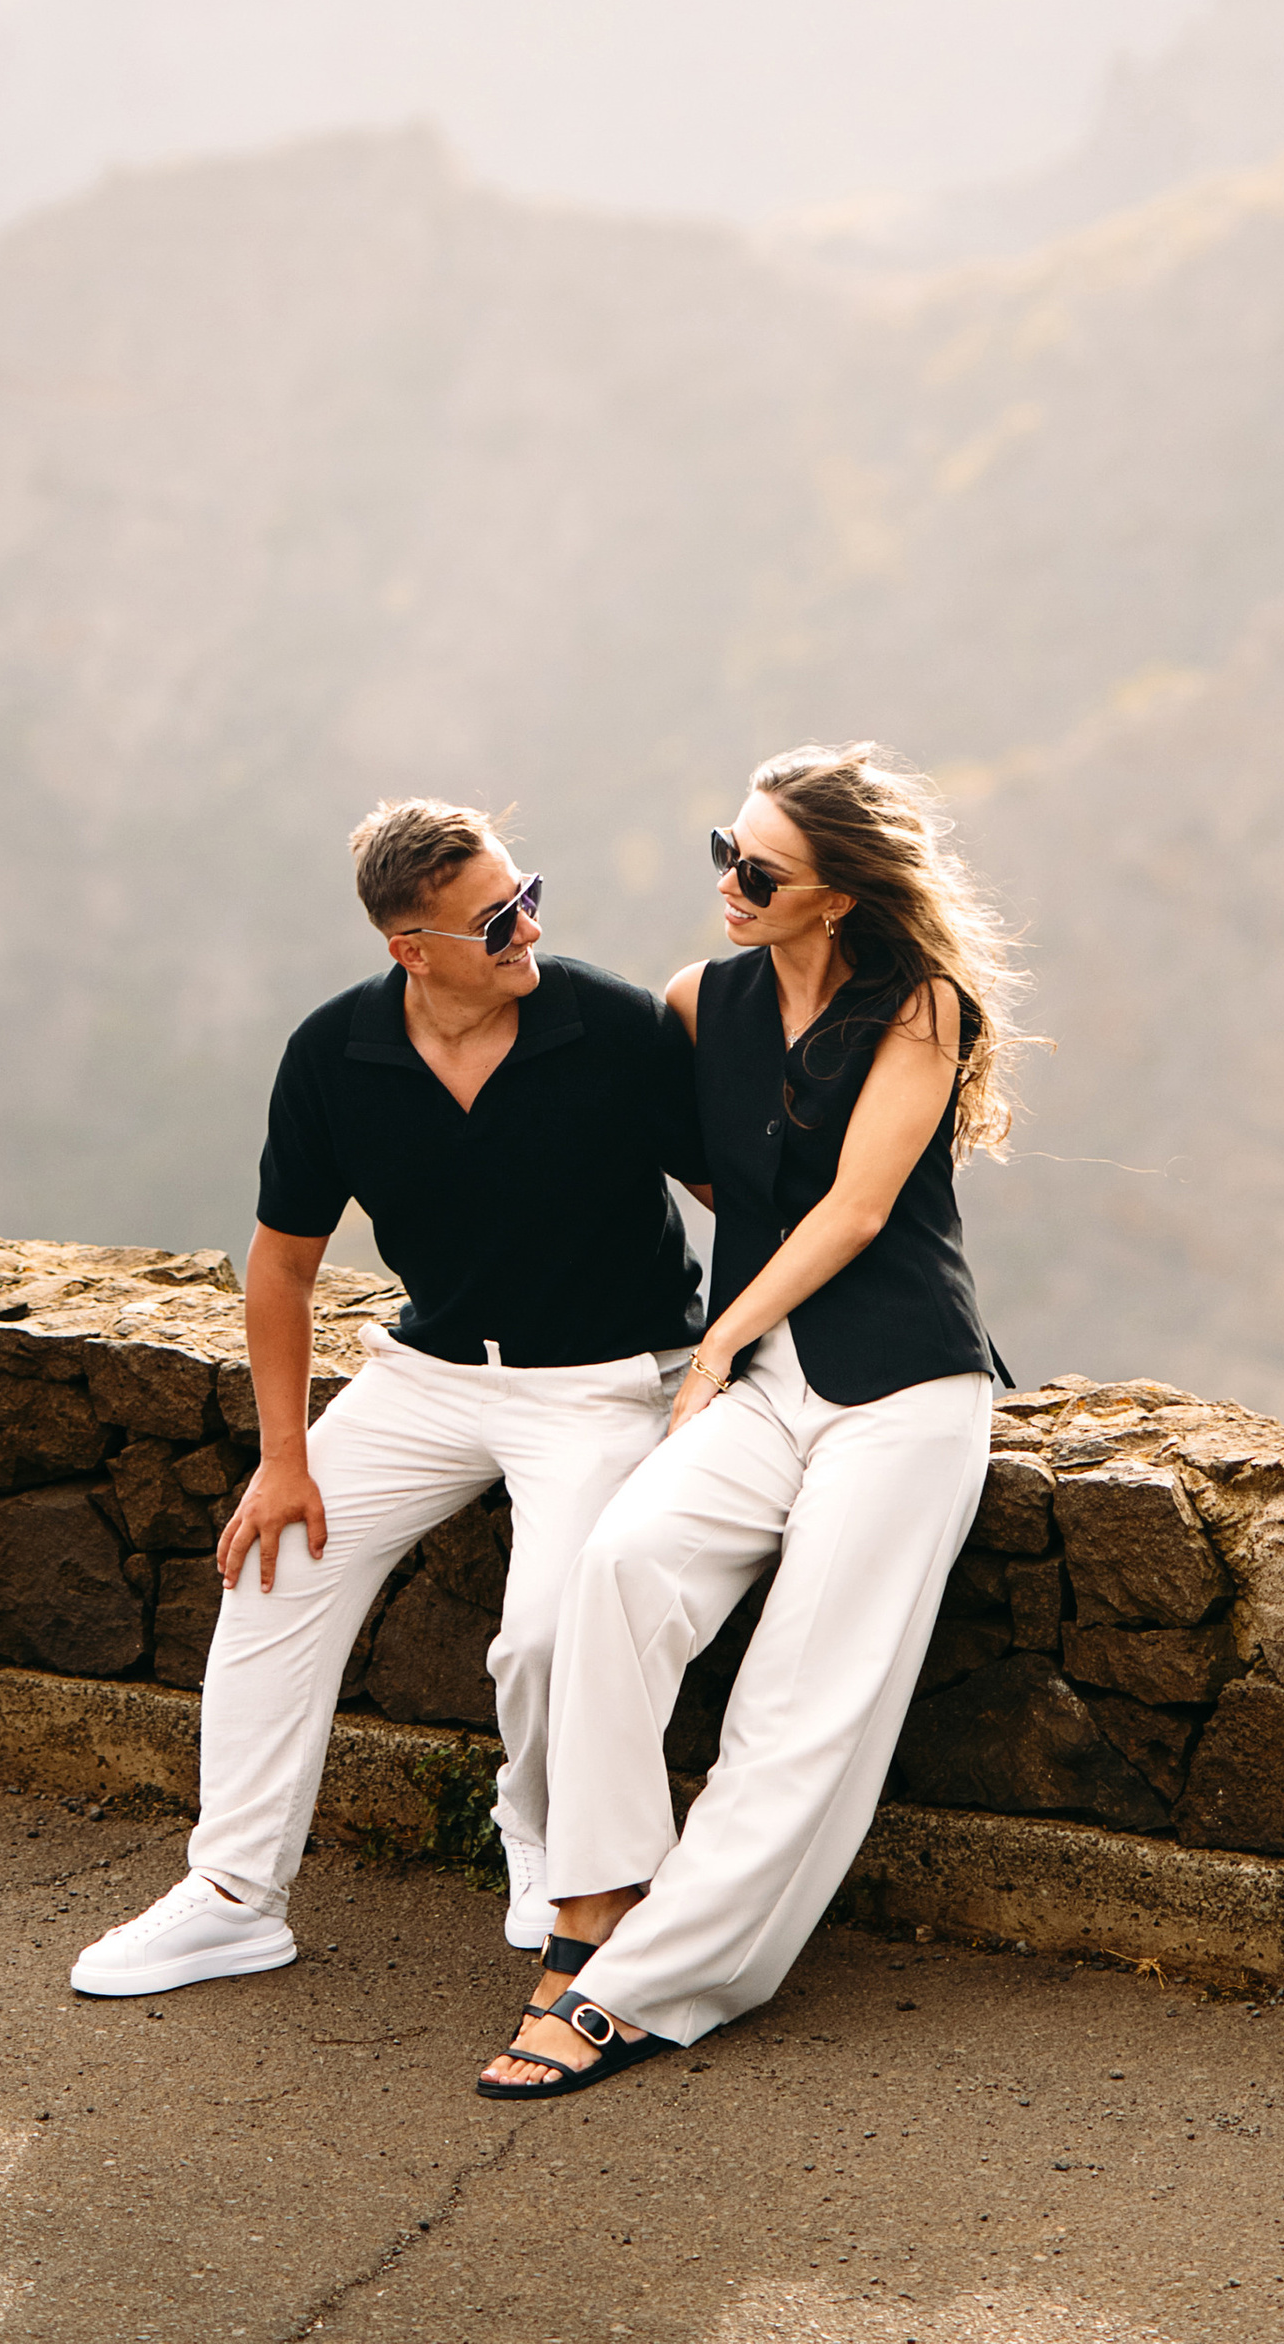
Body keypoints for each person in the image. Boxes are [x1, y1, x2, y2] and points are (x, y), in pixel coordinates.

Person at [72, 797, 704, 1999]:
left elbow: (740, 1195)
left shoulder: (613, 1024)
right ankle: (233, 1896)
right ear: (409, 948)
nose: (528, 930)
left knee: (550, 1632)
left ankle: (542, 1836)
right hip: (428, 1375)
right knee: (273, 1565)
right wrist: (282, 1461)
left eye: (526, 898)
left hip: (603, 1382)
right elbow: (281, 1269)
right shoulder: (334, 1053)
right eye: (495, 920)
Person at [475, 741, 1014, 2100]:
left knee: (797, 1703)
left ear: (840, 895)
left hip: (903, 1388)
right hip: (768, 1381)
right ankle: (596, 1904)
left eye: (761, 871)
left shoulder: (920, 1005)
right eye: (726, 850)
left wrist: (716, 1335)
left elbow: (858, 1211)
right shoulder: (697, 1002)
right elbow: (710, 1175)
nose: (729, 881)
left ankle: (647, 1990)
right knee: (618, 1568)